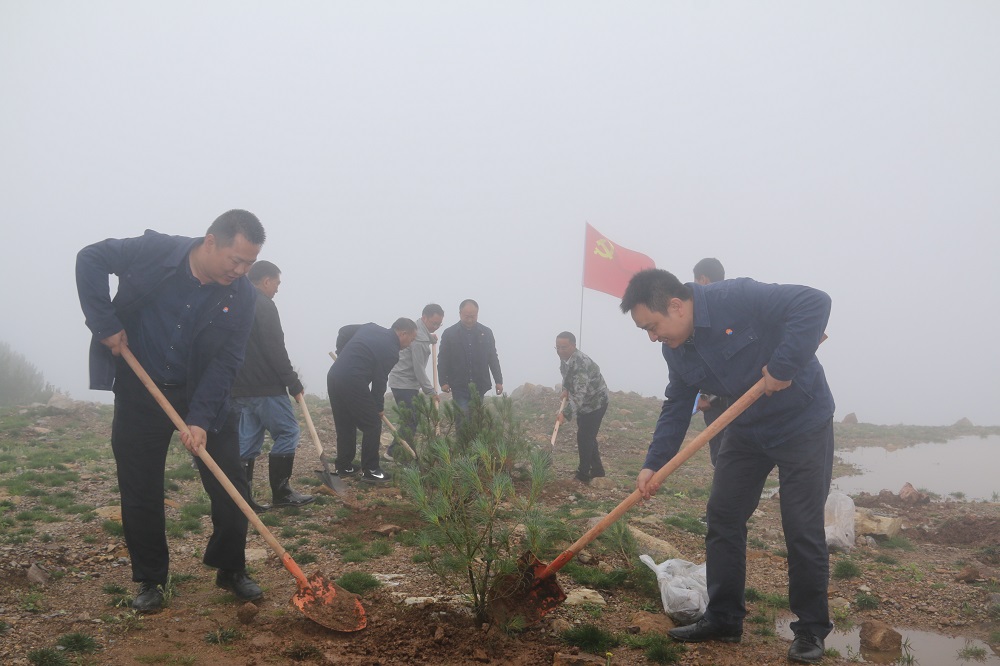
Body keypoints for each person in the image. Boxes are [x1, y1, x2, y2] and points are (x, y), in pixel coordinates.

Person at [620, 268, 834, 665]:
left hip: (802, 423)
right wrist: (654, 464)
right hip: (745, 428)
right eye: (645, 331)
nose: (652, 337)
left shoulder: (735, 297)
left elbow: (814, 302)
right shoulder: (675, 348)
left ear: (676, 305)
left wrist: (784, 366)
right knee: (723, 516)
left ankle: (810, 629)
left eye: (652, 326)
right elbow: (676, 404)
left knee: (801, 526)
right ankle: (724, 617)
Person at [76, 209, 267, 614]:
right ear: (210, 242)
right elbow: (90, 257)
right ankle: (151, 578)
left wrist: (200, 418)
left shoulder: (243, 295)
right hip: (140, 388)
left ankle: (230, 567)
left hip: (202, 394)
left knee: (231, 482)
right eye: (236, 260)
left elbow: (228, 361)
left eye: (249, 264)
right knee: (140, 487)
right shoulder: (155, 251)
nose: (241, 271)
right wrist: (104, 323)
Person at [231, 260, 313, 511]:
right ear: (266, 281)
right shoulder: (264, 305)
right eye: (276, 283)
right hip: (266, 386)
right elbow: (275, 348)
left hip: (241, 387)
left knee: (247, 441)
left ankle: (241, 499)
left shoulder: (237, 301)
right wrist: (293, 382)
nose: (277, 289)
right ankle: (282, 493)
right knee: (288, 432)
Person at [327, 318, 418, 483]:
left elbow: (344, 331)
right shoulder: (391, 350)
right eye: (411, 339)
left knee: (345, 423)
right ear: (403, 333)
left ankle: (344, 466)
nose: (409, 344)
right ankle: (371, 470)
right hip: (353, 381)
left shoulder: (371, 327)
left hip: (334, 375)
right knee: (373, 424)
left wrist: (342, 356)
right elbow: (379, 380)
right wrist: (378, 407)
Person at [386, 304, 444, 460]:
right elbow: (419, 369)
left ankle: (396, 452)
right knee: (410, 419)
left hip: (405, 382)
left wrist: (430, 338)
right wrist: (430, 391)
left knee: (411, 418)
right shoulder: (418, 339)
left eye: (439, 324)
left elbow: (424, 337)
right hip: (403, 382)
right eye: (434, 323)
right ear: (424, 317)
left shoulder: (418, 329)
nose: (435, 327)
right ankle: (398, 453)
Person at [555, 332, 609, 483]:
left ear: (573, 345)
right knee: (588, 436)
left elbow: (579, 395)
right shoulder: (565, 358)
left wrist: (565, 414)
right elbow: (567, 376)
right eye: (557, 347)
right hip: (584, 405)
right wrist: (565, 389)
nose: (560, 351)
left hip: (596, 403)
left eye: (564, 347)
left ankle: (583, 475)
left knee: (584, 437)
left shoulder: (581, 364)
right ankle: (597, 470)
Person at [692, 257, 729, 466]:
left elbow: (710, 359)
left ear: (703, 279)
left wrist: (704, 395)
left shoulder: (706, 313)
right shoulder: (733, 304)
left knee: (722, 453)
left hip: (720, 401)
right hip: (732, 399)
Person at [437, 299, 503, 411]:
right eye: (467, 316)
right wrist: (443, 381)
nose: (470, 319)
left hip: (480, 383)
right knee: (462, 416)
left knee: (477, 416)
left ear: (477, 314)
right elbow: (443, 359)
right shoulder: (449, 334)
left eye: (473, 316)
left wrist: (498, 381)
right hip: (459, 384)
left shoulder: (486, 333)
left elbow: (492, 358)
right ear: (460, 314)